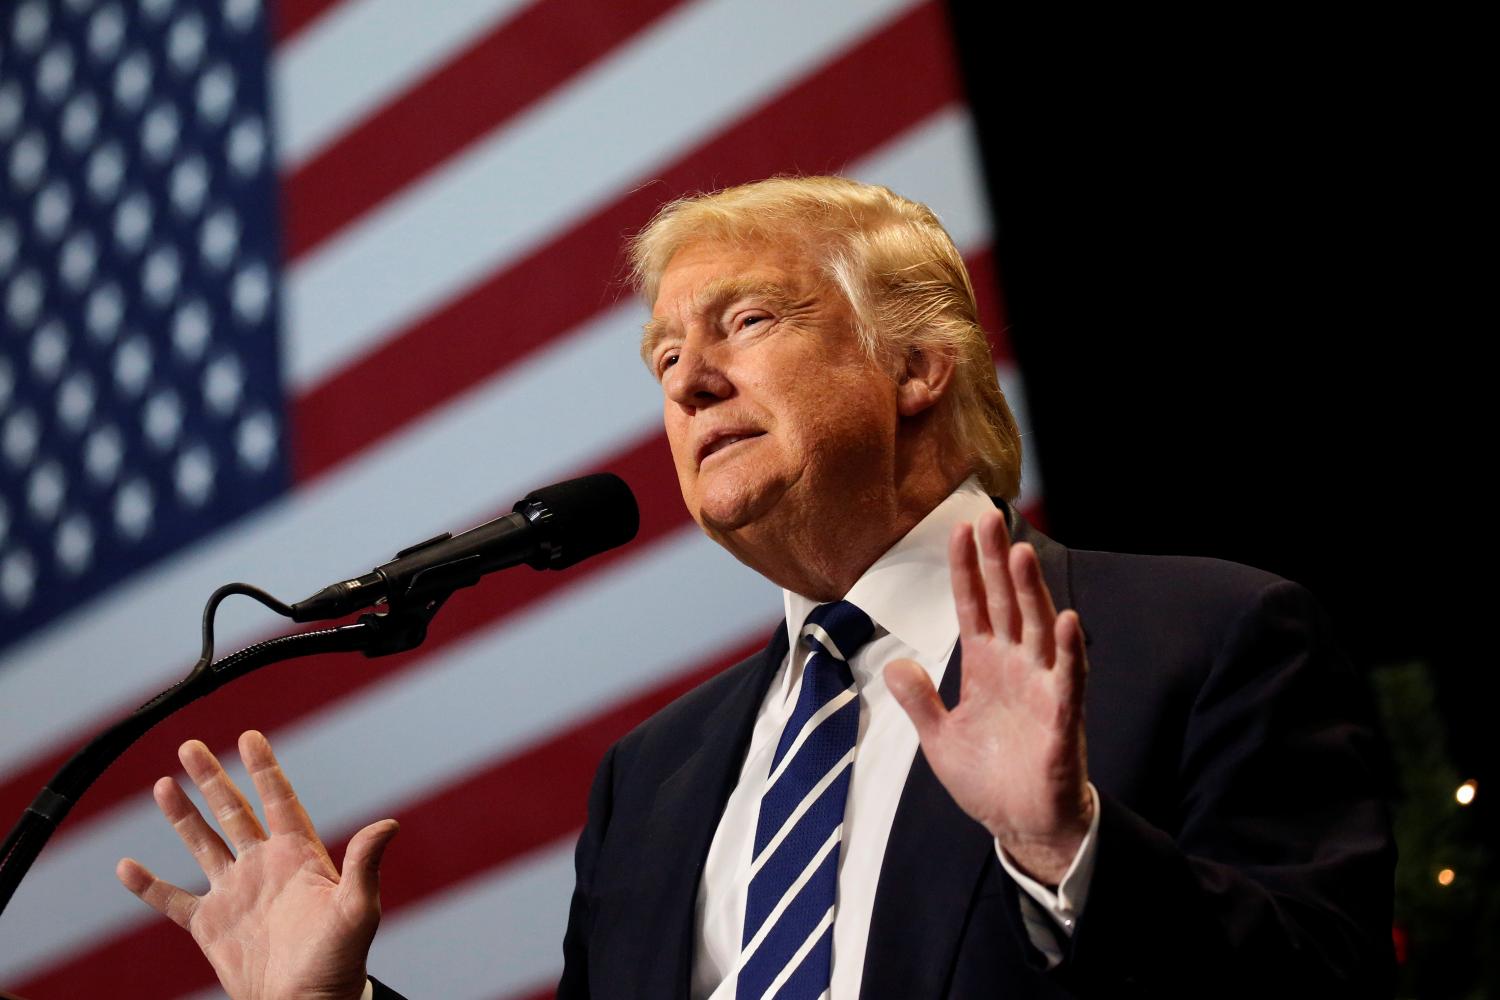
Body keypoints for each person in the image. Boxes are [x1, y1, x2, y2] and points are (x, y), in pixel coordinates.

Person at [117, 177, 1394, 999]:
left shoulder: (1207, 636)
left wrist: (1069, 849)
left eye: (747, 322)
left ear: (917, 365)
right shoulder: (652, 779)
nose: (686, 382)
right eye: (666, 354)